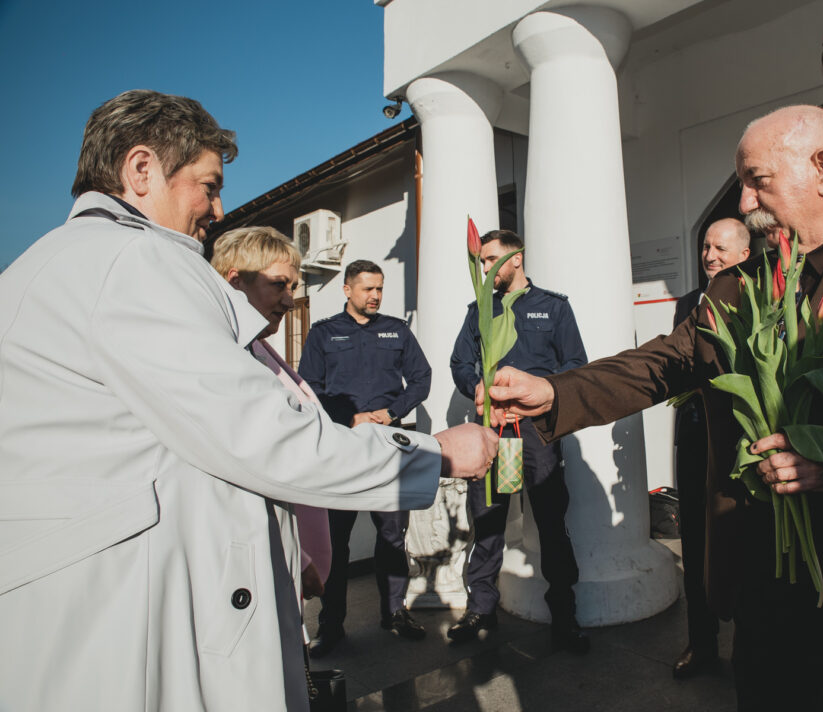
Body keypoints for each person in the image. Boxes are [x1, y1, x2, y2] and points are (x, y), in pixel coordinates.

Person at [479, 105, 823, 711]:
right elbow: (662, 362)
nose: (744, 202)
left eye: (757, 180)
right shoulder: (737, 286)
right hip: (768, 603)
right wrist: (557, 392)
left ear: (822, 169)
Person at [0, 89, 497, 712]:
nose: (217, 208)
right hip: (130, 626)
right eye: (208, 186)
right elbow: (267, 438)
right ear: (141, 169)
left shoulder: (35, 270)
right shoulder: (135, 262)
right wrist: (435, 455)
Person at [449, 229, 591, 654]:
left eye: (491, 259)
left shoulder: (553, 308)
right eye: (481, 260)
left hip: (536, 431)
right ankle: (481, 609)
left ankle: (564, 617)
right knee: (487, 520)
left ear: (515, 260)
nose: (485, 268)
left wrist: (535, 395)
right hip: (490, 428)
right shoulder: (479, 310)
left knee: (550, 521)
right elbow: (460, 361)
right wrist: (479, 390)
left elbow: (575, 365)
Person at [298, 260, 433, 655]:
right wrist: (350, 417)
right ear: (347, 290)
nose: (375, 296)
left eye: (379, 289)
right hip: (343, 445)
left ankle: (395, 613)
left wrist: (391, 413)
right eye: (367, 289)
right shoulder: (324, 334)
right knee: (336, 540)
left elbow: (421, 378)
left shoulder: (397, 330)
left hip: (390, 445)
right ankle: (331, 624)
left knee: (392, 536)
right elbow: (310, 390)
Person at [210, 226, 332, 602]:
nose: (290, 300)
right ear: (235, 282)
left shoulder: (258, 346)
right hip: (270, 563)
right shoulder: (226, 358)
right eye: (279, 285)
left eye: (292, 287)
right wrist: (298, 556)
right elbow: (236, 474)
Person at [671, 217, 749, 679]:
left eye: (721, 248)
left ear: (744, 254)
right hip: (695, 437)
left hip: (740, 440)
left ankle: (750, 645)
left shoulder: (759, 297)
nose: (710, 255)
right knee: (694, 543)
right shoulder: (686, 302)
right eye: (706, 246)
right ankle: (701, 645)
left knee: (740, 542)